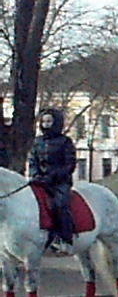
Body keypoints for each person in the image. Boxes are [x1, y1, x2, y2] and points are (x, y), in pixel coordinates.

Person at [28, 107, 77, 252]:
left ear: (56, 122)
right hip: (40, 182)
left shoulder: (65, 142)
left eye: (49, 121)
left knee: (59, 204)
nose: (46, 124)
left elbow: (70, 164)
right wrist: (35, 175)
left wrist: (53, 176)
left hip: (59, 183)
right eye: (43, 121)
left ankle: (64, 239)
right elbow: (32, 161)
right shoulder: (37, 142)